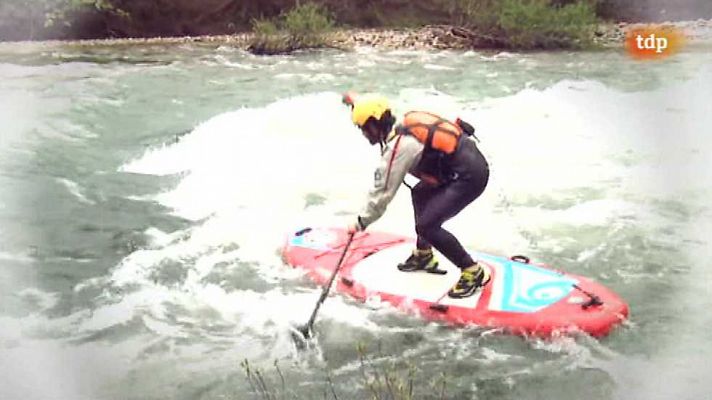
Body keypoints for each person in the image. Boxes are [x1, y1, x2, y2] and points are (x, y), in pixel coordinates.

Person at [343, 93, 491, 298]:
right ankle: (424, 255)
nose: (364, 134)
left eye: (363, 128)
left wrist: (360, 222)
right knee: (420, 192)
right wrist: (353, 101)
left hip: (469, 177)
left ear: (374, 125)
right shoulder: (403, 126)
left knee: (427, 226)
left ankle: (472, 271)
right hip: (467, 165)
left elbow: (383, 193)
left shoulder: (400, 147)